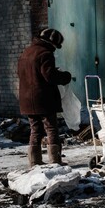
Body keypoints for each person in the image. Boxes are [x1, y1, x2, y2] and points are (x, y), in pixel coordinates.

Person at [17, 28, 72, 167]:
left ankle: (34, 161)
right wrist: (65, 76)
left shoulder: (26, 52)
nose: (55, 49)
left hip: (26, 99)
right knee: (51, 127)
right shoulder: (45, 54)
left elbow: (22, 74)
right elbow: (50, 76)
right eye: (55, 46)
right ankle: (55, 160)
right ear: (51, 42)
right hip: (43, 98)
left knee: (35, 129)